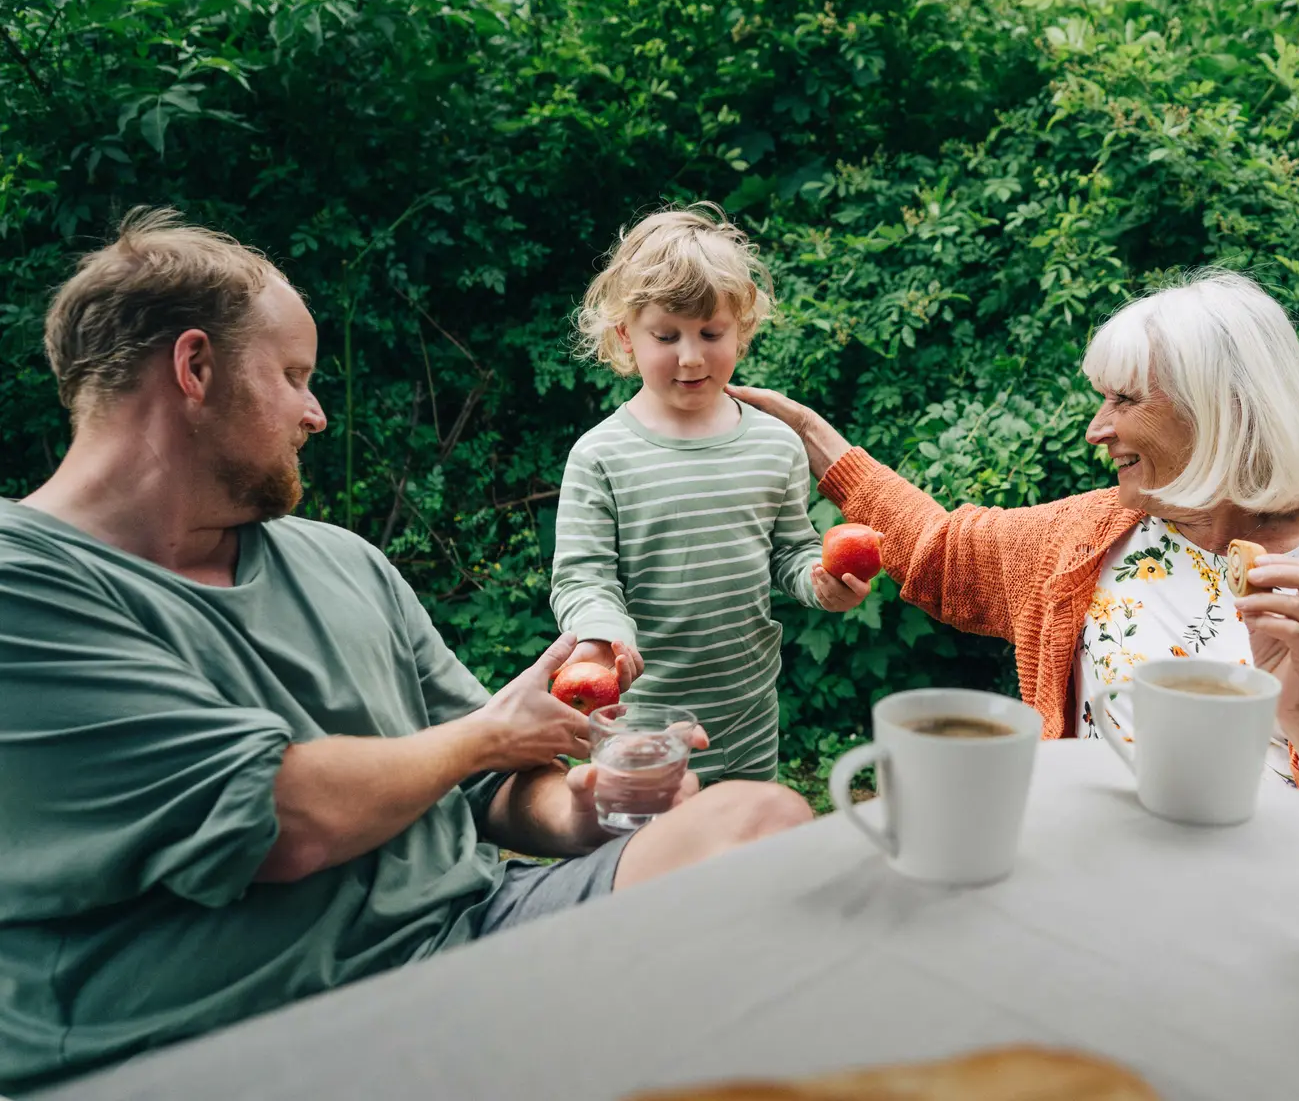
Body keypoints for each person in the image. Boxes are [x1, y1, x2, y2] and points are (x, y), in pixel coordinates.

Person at [0, 209, 813, 1093]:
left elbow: (491, 789)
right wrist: (488, 736)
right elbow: (280, 820)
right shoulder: (27, 586)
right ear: (195, 367)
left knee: (757, 829)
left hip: (471, 937)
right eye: (293, 376)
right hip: (234, 1031)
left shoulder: (343, 562)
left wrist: (584, 801)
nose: (316, 412)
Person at [733, 269, 1299, 790]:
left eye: (1124, 400)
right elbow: (939, 552)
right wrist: (816, 440)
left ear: (1216, 412)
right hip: (1090, 883)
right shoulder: (1089, 536)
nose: (1097, 429)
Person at [550, 205, 869, 783]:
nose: (691, 356)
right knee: (651, 864)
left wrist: (822, 585)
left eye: (711, 333)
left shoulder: (775, 444)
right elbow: (582, 577)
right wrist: (602, 639)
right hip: (641, 721)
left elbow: (791, 551)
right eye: (666, 336)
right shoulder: (599, 456)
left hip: (747, 716)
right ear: (626, 336)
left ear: (741, 334)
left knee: (742, 861)